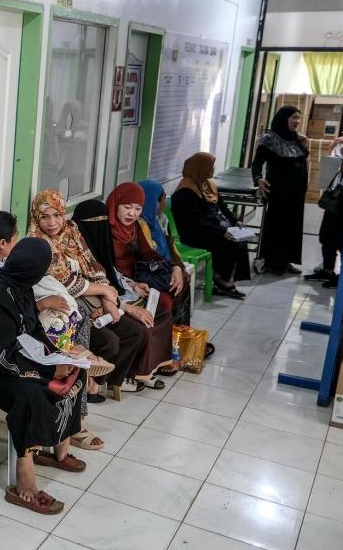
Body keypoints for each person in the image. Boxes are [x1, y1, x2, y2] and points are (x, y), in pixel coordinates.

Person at [0, 237, 87, 514]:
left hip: (13, 360)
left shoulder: (20, 287)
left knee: (75, 375)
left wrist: (58, 355)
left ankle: (58, 450)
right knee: (32, 393)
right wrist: (47, 369)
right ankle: (25, 481)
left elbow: (33, 331)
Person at [29, 190, 148, 397]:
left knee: (134, 331)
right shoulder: (37, 242)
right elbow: (64, 281)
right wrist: (105, 291)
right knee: (110, 340)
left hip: (91, 298)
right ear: (36, 217)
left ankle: (106, 381)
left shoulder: (72, 231)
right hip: (65, 307)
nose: (52, 223)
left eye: (56, 215)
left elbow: (93, 265)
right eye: (44, 217)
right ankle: (89, 383)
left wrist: (108, 301)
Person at [73, 198, 175, 387]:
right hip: (99, 305)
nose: (99, 226)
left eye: (102, 220)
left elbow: (111, 271)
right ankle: (117, 378)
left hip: (117, 296)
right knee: (139, 328)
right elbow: (83, 285)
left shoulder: (105, 240)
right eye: (92, 223)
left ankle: (143, 371)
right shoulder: (77, 249)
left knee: (163, 313)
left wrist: (133, 284)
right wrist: (126, 308)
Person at [107, 181, 190, 327]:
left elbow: (148, 254)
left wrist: (174, 267)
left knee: (179, 284)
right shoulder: (104, 229)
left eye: (138, 208)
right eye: (127, 207)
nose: (132, 213)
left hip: (141, 276)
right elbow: (106, 267)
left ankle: (179, 336)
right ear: (115, 204)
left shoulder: (136, 225)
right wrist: (131, 284)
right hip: (121, 283)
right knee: (163, 303)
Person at [170, 153, 250, 298]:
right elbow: (196, 221)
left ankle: (227, 278)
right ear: (200, 168)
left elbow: (222, 206)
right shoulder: (186, 191)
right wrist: (221, 231)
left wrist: (235, 221)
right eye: (210, 167)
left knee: (240, 241)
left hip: (211, 227)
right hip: (194, 233)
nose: (212, 170)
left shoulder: (208, 184)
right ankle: (222, 280)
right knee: (228, 242)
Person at [308, 109, 343, 289]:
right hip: (337, 197)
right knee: (326, 236)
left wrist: (341, 158)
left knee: (340, 240)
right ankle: (327, 270)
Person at [252, 106, 309, 275]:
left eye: (299, 118)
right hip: (278, 190)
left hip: (296, 191)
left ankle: (286, 261)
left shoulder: (296, 138)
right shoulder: (269, 139)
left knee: (292, 225)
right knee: (277, 224)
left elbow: (301, 158)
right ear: (284, 118)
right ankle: (272, 261)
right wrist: (258, 179)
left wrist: (304, 145)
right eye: (293, 117)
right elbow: (256, 164)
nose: (297, 121)